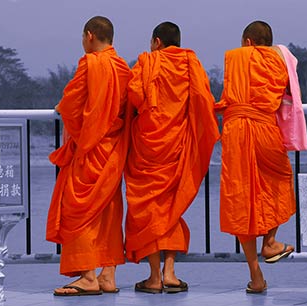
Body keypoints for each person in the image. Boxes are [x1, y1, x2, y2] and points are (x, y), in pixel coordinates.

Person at [125, 21, 220, 294]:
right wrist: (200, 132)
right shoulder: (190, 62)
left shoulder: (147, 61)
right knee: (170, 207)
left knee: (148, 209)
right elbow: (203, 98)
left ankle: (154, 277)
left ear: (156, 42)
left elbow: (134, 94)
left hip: (147, 146)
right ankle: (170, 273)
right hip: (176, 144)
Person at [45, 16, 131, 296]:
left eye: (83, 38)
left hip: (90, 149)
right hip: (113, 150)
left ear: (90, 36)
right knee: (107, 210)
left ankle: (87, 276)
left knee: (77, 209)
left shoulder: (91, 63)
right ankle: (108, 275)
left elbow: (71, 102)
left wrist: (61, 105)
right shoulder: (121, 67)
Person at [215, 20, 296, 294]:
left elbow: (226, 100)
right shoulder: (278, 59)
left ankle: (256, 275)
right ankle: (271, 242)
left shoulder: (236, 58)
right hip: (265, 130)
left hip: (237, 131)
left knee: (241, 200)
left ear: (248, 42)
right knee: (280, 179)